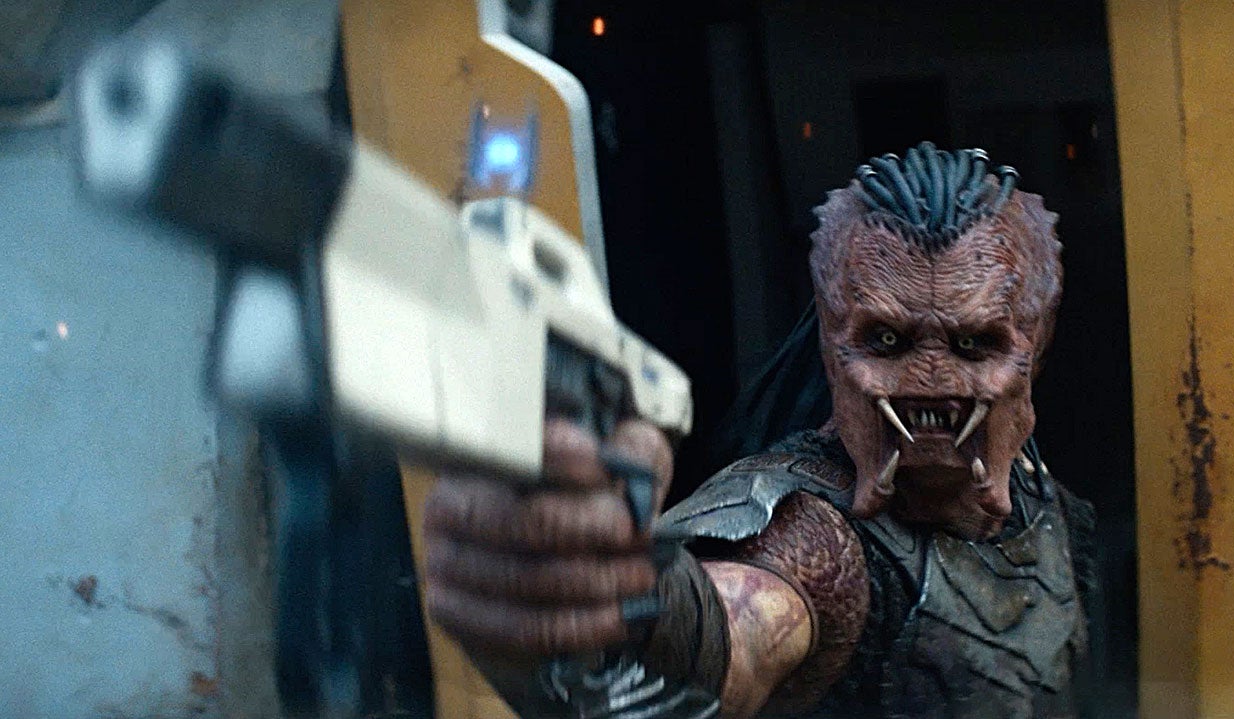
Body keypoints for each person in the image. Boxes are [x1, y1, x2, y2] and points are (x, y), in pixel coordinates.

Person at [422, 142, 1097, 719]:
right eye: (887, 340)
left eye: (974, 343)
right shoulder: (813, 534)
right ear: (832, 344)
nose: (930, 377)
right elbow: (730, 636)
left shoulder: (1045, 500)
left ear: (1036, 348)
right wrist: (602, 577)